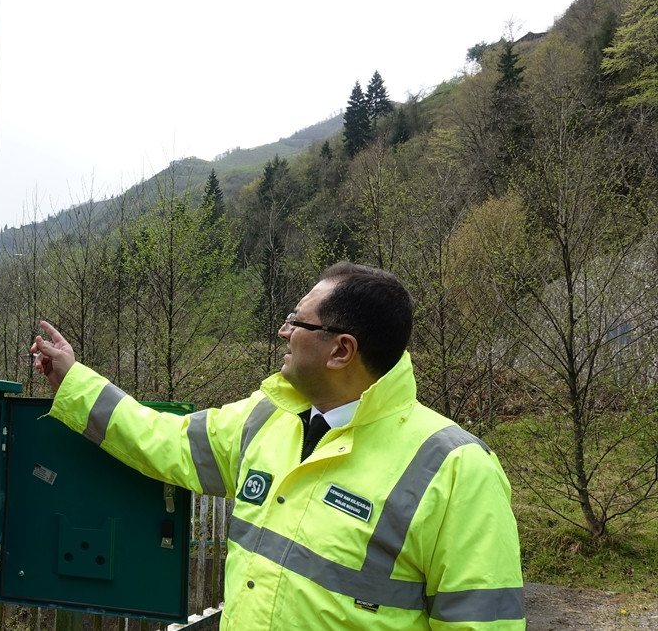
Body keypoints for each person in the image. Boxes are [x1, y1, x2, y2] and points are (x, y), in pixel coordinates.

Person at [30, 262, 524, 630]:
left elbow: (482, 623)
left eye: (297, 320)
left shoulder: (456, 470)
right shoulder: (265, 419)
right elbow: (163, 440)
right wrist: (75, 382)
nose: (284, 331)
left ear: (341, 349)